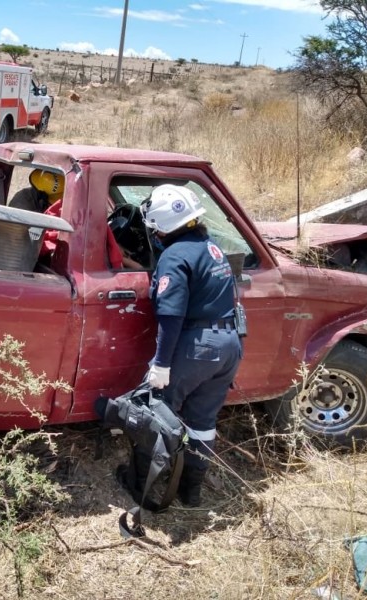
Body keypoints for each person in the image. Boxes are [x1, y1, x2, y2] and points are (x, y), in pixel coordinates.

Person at [141, 183, 243, 507]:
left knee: (158, 410)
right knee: (202, 421)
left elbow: (170, 317)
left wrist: (161, 364)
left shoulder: (173, 256)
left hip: (198, 346)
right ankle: (191, 491)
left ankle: (148, 483)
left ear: (162, 228)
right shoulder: (210, 246)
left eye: (154, 227)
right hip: (229, 344)